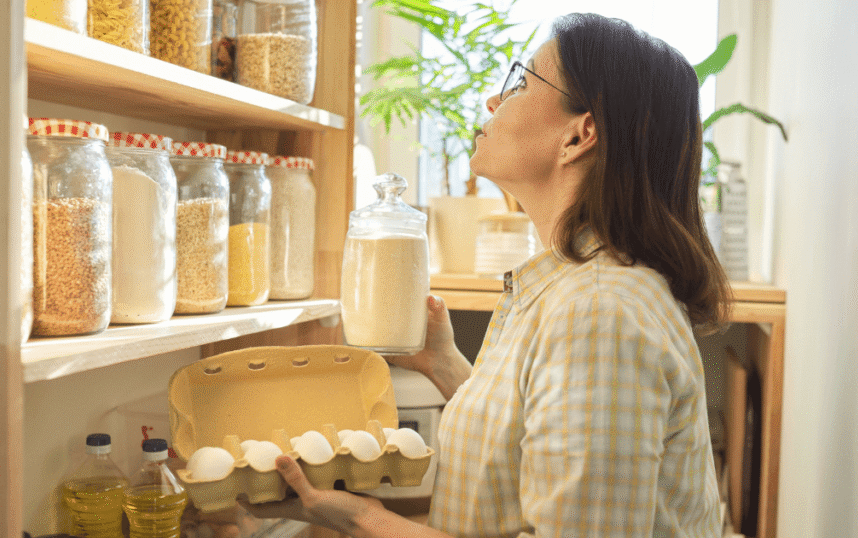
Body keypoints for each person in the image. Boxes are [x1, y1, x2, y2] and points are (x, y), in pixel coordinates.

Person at [244, 12, 730, 537]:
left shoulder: (597, 313)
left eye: (522, 81)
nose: (493, 101)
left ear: (578, 136)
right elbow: (537, 437)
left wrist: (364, 519)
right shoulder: (575, 286)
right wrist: (443, 364)